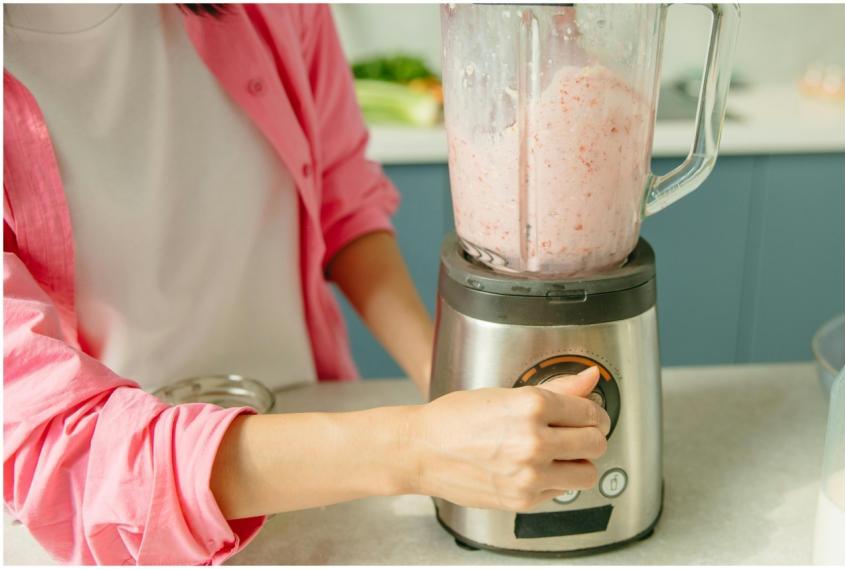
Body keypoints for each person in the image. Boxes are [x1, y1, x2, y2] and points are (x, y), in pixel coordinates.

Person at [3, 4, 610, 565]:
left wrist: (448, 380)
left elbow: (341, 199)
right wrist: (417, 448)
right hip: (122, 518)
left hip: (322, 460)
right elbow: (66, 450)